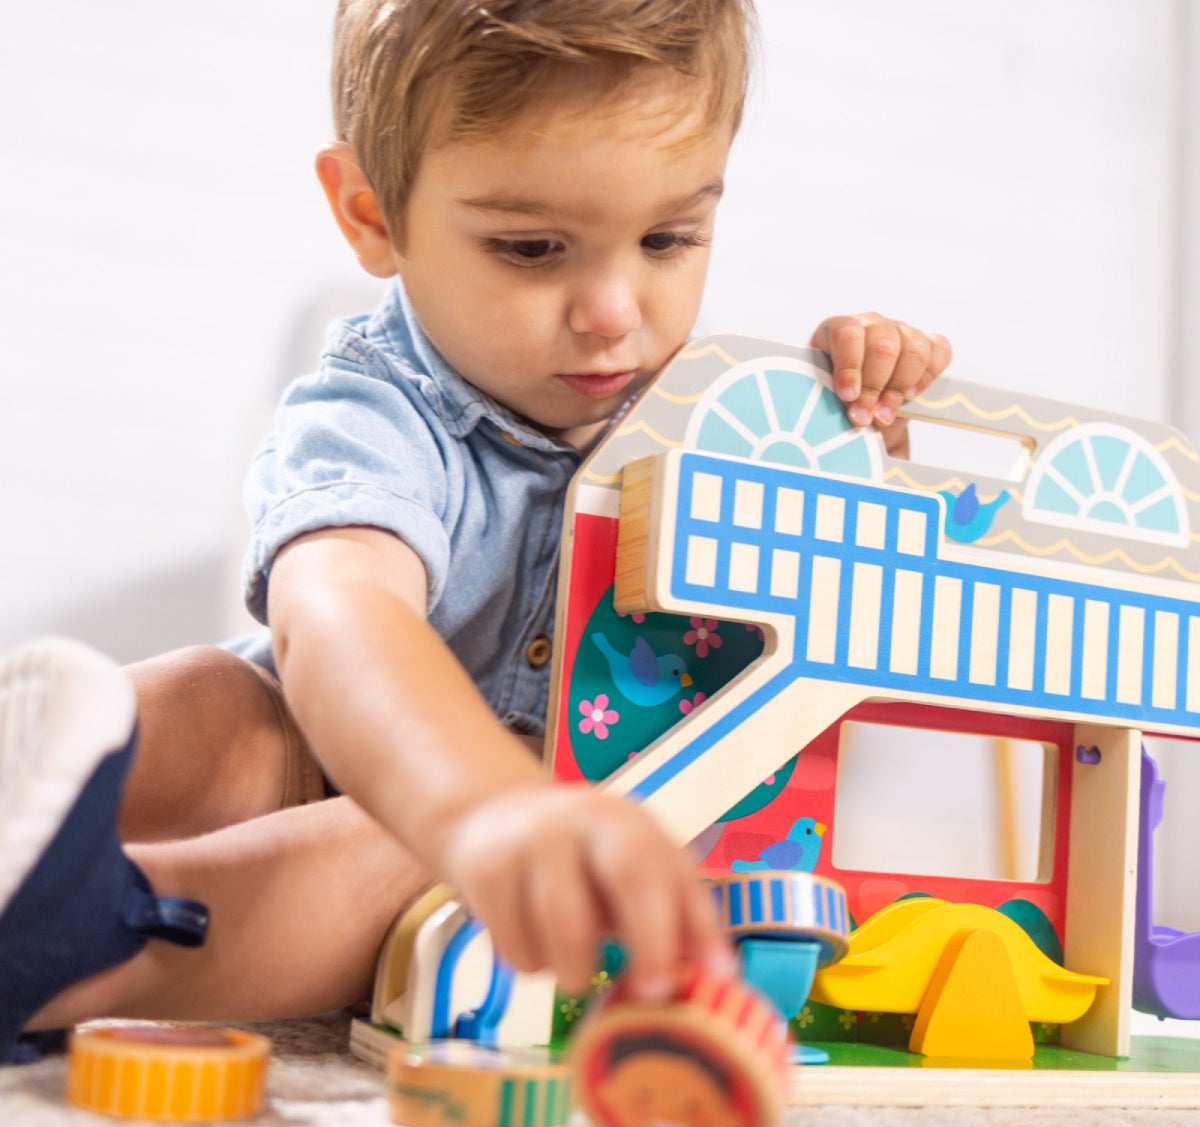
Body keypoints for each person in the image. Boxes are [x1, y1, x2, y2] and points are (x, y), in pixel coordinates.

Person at [0, 0, 951, 1064]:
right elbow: (339, 613)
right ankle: (36, 792)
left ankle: (75, 943)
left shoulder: (716, 416)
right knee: (215, 700)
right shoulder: (374, 406)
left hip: (539, 852)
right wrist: (478, 806)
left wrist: (849, 430)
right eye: (534, 247)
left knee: (406, 862)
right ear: (371, 213)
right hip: (376, 767)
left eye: (668, 238)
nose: (611, 307)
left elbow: (836, 599)